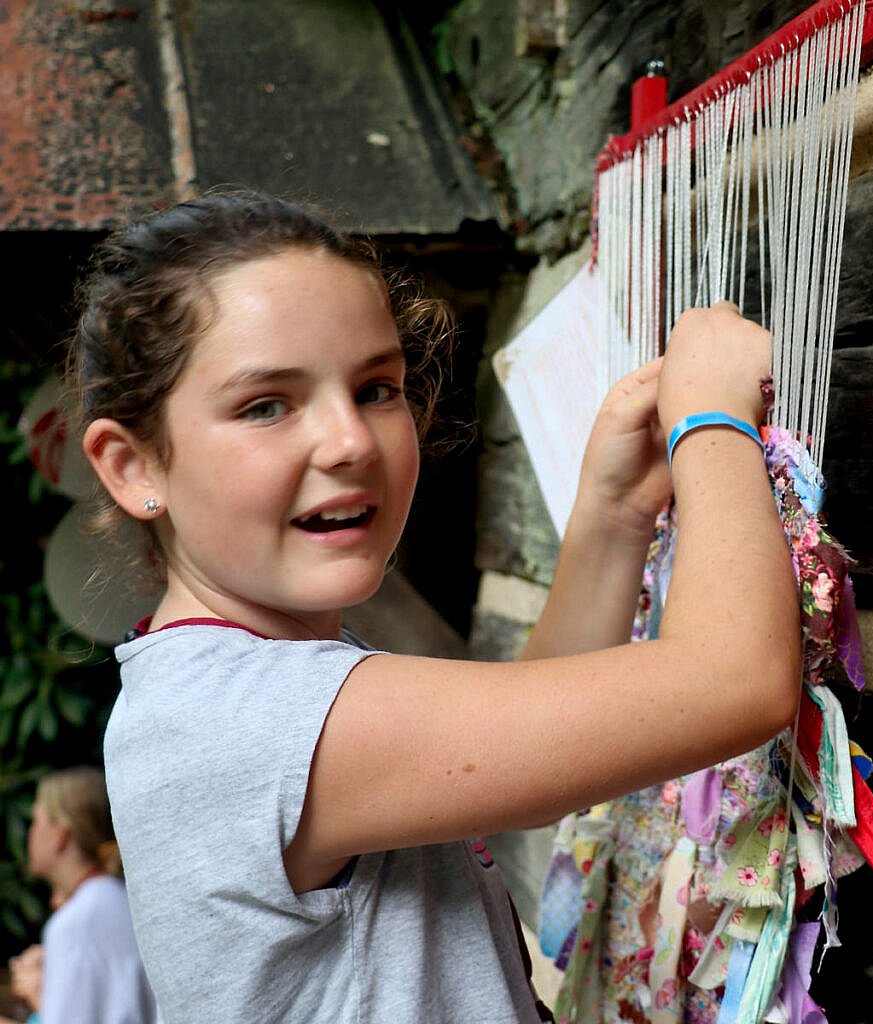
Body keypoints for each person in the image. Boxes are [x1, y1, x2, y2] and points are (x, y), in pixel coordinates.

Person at [68, 190, 800, 1022]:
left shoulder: (208, 694)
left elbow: (535, 763)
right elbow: (736, 681)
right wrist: (712, 419)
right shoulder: (242, 718)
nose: (349, 440)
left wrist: (615, 513)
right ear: (133, 468)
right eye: (266, 405)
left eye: (377, 387)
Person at [0, 767, 155, 1024]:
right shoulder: (118, 898)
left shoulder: (79, 922)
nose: (30, 833)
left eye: (37, 821)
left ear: (60, 835)